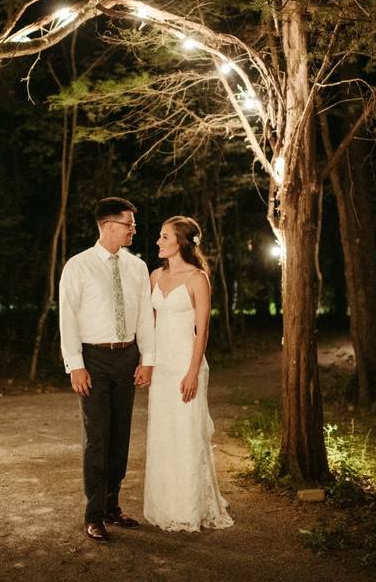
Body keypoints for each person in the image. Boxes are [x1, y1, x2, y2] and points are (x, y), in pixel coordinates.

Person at [59, 197, 155, 543]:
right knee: (97, 438)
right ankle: (94, 513)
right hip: (93, 360)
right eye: (129, 224)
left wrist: (148, 359)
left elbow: (145, 316)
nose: (134, 229)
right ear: (109, 225)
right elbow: (67, 318)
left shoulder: (137, 268)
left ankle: (113, 505)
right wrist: (76, 365)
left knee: (120, 437)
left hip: (127, 357)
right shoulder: (78, 266)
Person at [143, 216, 233, 532]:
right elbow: (150, 326)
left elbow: (202, 329)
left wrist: (192, 371)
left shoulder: (198, 279)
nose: (158, 241)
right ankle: (165, 503)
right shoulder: (154, 276)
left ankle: (191, 504)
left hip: (186, 364)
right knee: (163, 433)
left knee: (186, 433)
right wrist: (147, 363)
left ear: (180, 241)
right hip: (163, 367)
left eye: (164, 236)